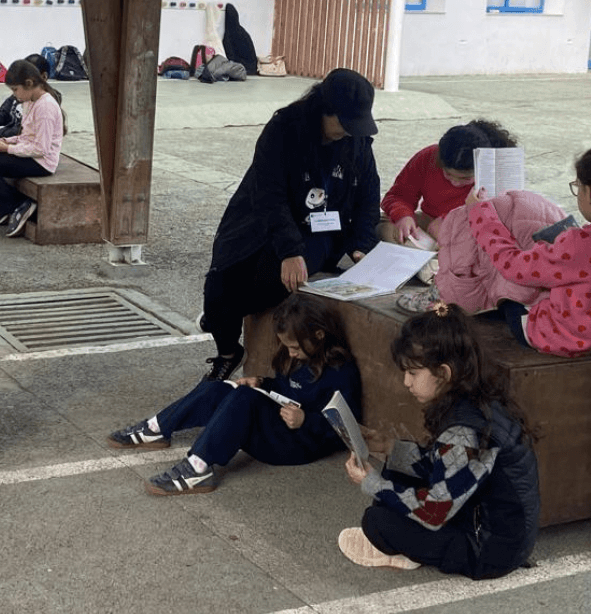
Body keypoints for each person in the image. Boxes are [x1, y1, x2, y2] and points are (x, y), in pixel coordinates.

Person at [199, 68, 381, 381]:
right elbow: (268, 194)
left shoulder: (358, 141)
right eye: (344, 123)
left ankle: (229, 315)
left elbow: (368, 196)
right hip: (263, 220)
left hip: (320, 229)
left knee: (274, 281)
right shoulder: (284, 128)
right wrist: (290, 249)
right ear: (324, 109)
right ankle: (227, 352)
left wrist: (360, 245)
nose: (350, 132)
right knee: (220, 282)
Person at [339, 306, 539, 577]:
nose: (406, 382)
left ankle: (404, 552)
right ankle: (406, 542)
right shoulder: (477, 399)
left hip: (488, 551)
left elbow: (435, 510)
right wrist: (387, 447)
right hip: (492, 527)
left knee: (376, 521)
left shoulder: (463, 432)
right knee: (396, 469)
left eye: (413, 373)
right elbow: (446, 465)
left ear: (444, 373)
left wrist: (371, 483)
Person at [109, 294, 361, 495]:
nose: (291, 353)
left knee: (245, 398)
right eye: (287, 347)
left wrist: (307, 420)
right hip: (280, 425)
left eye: (294, 347)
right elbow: (287, 389)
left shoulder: (341, 371)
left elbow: (347, 427)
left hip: (300, 444)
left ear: (319, 335)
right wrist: (262, 382)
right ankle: (157, 428)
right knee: (221, 388)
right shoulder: (297, 357)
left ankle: (198, 468)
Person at [467, 143, 591, 357]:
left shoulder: (579, 243)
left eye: (577, 186)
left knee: (509, 292)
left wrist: (480, 213)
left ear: (590, 193)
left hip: (557, 337)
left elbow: (512, 266)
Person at [379, 120, 518, 247]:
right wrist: (403, 216)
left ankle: (435, 259)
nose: (455, 182)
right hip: (430, 223)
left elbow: (501, 221)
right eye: (448, 174)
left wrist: (454, 219)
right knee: (385, 227)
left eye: (465, 178)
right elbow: (398, 196)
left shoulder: (493, 171)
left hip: (470, 228)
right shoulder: (428, 157)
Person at [0, 58, 66, 237]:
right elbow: (26, 136)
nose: (14, 95)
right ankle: (3, 206)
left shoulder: (45, 107)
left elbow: (41, 149)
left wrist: (7, 149)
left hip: (41, 162)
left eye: (15, 89)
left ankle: (14, 204)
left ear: (29, 83)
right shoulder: (30, 100)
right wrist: (6, 141)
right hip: (28, 153)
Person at [0, 53, 59, 138]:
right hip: (13, 139)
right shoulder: (22, 93)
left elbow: (22, 130)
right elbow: (4, 113)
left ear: (44, 77)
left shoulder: (45, 102)